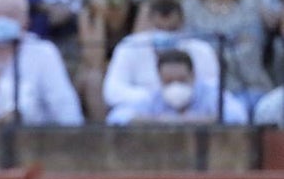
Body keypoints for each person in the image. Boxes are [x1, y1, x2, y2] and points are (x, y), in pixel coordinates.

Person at [181, 0, 273, 115]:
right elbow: (191, 49)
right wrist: (230, 43)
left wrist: (212, 49)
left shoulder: (249, 5)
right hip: (205, 89)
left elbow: (251, 47)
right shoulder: (191, 8)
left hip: (248, 86)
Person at [103, 0, 220, 111]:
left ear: (182, 24)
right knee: (120, 116)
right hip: (144, 107)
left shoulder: (201, 49)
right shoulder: (130, 46)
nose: (165, 34)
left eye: (172, 29)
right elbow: (112, 91)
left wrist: (184, 95)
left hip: (192, 108)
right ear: (148, 24)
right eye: (159, 28)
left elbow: (215, 89)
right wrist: (156, 97)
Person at [75, 0, 148, 122]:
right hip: (101, 69)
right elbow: (93, 60)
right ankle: (104, 132)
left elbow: (136, 53)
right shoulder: (88, 15)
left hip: (131, 72)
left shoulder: (142, 10)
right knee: (93, 78)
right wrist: (100, 16)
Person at [106, 47, 247, 124]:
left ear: (193, 76)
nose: (175, 85)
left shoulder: (210, 94)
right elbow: (116, 118)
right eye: (168, 81)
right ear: (160, 79)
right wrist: (156, 121)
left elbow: (237, 116)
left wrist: (194, 120)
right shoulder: (153, 97)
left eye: (181, 80)